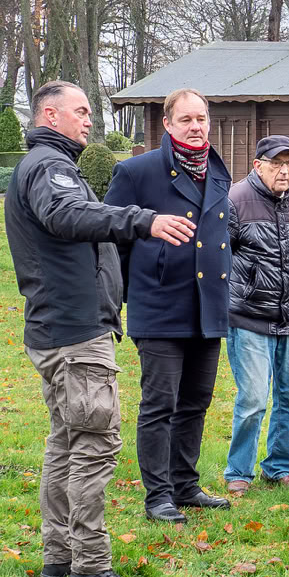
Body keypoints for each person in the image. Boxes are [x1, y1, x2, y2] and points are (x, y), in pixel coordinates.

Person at [4, 80, 196, 577]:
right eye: (81, 111)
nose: (89, 120)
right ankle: (89, 568)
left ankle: (58, 557)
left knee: (66, 443)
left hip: (59, 329)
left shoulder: (47, 164)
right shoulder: (50, 167)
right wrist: (144, 221)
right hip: (74, 333)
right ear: (50, 115)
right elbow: (65, 216)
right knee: (93, 445)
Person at [105, 88, 233, 524]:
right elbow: (110, 240)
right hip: (159, 305)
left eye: (202, 119)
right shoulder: (137, 172)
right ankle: (158, 495)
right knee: (160, 404)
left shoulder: (217, 170)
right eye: (186, 120)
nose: (196, 127)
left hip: (209, 306)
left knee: (196, 401)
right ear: (167, 124)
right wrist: (119, 300)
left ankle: (185, 485)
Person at [223, 135, 289, 496]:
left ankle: (280, 467)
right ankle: (238, 471)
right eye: (276, 164)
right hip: (249, 317)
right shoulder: (235, 201)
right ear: (258, 165)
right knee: (254, 399)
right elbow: (218, 260)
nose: (284, 170)